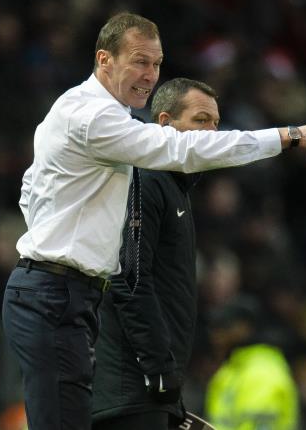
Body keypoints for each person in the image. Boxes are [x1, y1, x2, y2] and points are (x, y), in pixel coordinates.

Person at [2, 11, 306, 430]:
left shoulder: (80, 110)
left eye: (156, 64)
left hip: (63, 293)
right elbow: (183, 150)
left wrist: (54, 235)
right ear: (104, 59)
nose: (150, 75)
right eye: (139, 61)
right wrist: (291, 135)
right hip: (54, 294)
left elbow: (30, 187)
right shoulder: (94, 117)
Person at [91, 77, 221, 430]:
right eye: (200, 120)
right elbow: (127, 277)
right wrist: (159, 368)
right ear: (164, 123)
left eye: (216, 123)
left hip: (148, 388)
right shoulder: (146, 178)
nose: (212, 133)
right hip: (129, 390)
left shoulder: (175, 187)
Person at [204, 296, 298, 430]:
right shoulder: (230, 371)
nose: (215, 336)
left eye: (224, 326)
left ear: (244, 328)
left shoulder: (263, 373)